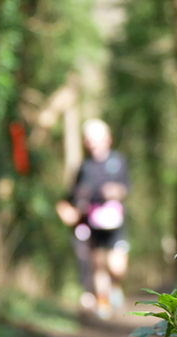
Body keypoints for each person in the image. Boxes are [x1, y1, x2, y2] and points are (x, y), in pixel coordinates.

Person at [56, 119, 130, 319]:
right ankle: (103, 303)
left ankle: (116, 287)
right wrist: (67, 209)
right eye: (89, 140)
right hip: (93, 223)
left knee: (117, 266)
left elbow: (126, 187)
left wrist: (116, 192)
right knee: (97, 263)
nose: (93, 144)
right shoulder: (84, 167)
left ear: (108, 139)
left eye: (97, 139)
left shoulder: (118, 161)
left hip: (116, 223)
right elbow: (71, 196)